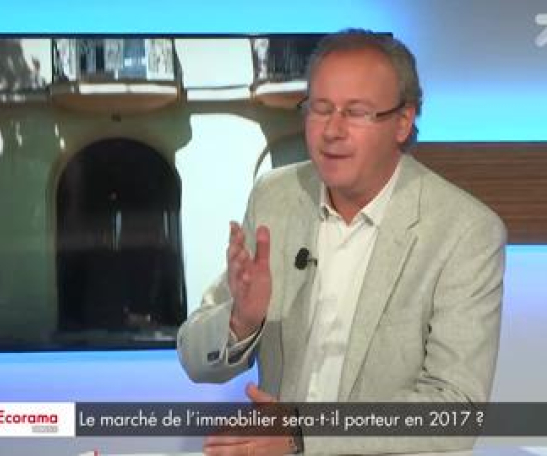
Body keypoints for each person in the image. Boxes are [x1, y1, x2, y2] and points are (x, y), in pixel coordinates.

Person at [177, 29, 506, 455]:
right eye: (320, 108)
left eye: (356, 112)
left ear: (402, 121)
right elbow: (194, 357)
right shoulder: (276, 197)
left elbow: (455, 410)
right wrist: (241, 320)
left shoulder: (464, 231)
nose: (332, 130)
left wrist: (300, 433)